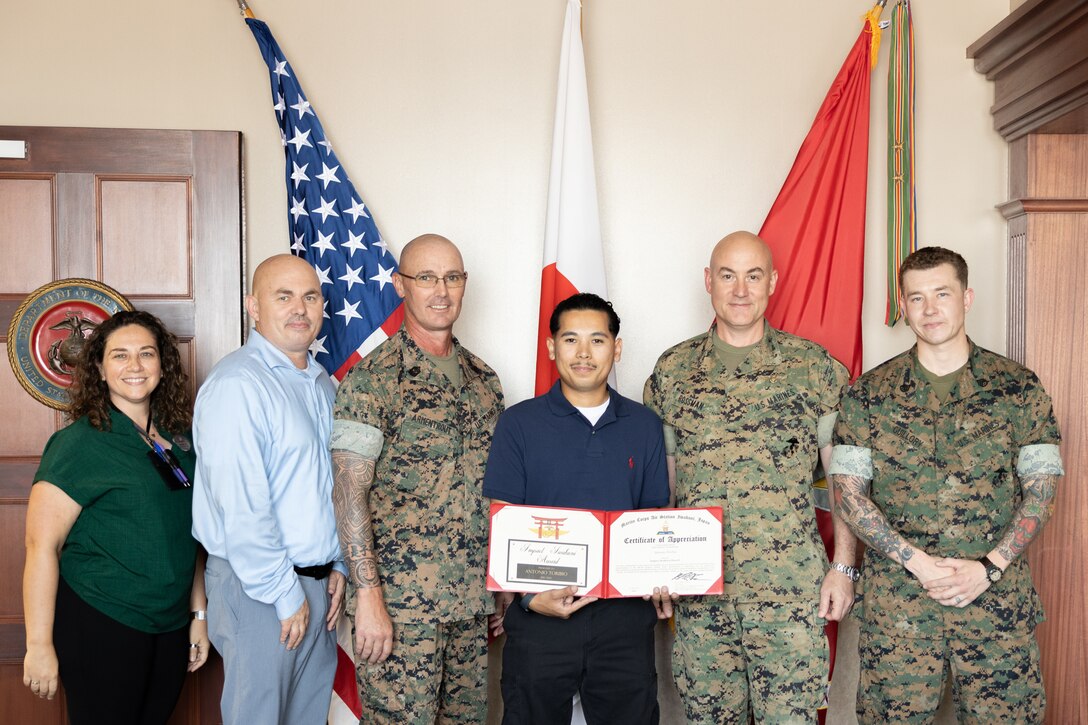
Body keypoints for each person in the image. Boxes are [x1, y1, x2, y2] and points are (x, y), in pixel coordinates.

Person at [829, 246, 1063, 723]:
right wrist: (914, 561)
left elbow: (1043, 491)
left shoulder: (1018, 388)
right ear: (903, 305)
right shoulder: (868, 394)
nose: (930, 309)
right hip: (900, 614)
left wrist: (989, 568)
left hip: (997, 612)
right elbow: (849, 497)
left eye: (942, 294)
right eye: (916, 298)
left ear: (967, 297)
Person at [644, 231, 856, 723]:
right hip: (702, 602)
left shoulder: (814, 369)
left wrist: (843, 568)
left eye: (753, 275)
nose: (740, 289)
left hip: (790, 599)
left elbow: (843, 481)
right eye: (727, 275)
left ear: (773, 283)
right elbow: (665, 486)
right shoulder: (674, 371)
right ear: (708, 282)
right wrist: (657, 565)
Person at [331, 233, 504, 723]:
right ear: (400, 285)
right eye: (426, 278)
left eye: (452, 277)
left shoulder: (484, 381)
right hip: (401, 609)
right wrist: (368, 599)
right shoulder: (374, 379)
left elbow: (494, 490)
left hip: (472, 605)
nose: (441, 291)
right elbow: (348, 495)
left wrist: (501, 584)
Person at [483, 292, 670, 724]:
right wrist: (529, 599)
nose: (583, 353)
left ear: (616, 348)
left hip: (624, 622)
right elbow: (503, 519)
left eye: (598, 340)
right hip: (539, 621)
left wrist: (666, 574)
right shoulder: (518, 423)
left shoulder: (644, 425)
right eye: (570, 340)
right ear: (551, 347)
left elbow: (654, 520)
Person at [22, 309, 209, 724]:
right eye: (120, 356)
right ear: (100, 370)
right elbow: (41, 547)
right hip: (102, 618)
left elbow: (191, 534)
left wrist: (198, 615)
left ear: (163, 364)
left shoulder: (181, 439)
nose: (136, 366)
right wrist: (38, 645)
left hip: (170, 622)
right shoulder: (79, 444)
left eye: (146, 353)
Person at [191, 254, 346, 725]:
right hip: (260, 589)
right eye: (284, 296)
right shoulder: (239, 384)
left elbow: (328, 485)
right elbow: (242, 507)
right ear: (253, 306)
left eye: (310, 296)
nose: (300, 308)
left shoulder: (321, 383)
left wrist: (336, 563)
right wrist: (284, 594)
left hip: (318, 587)